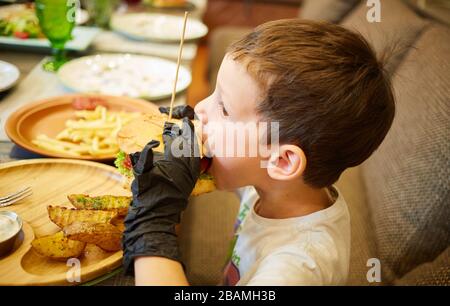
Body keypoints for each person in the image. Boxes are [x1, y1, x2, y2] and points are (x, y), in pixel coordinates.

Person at [122, 19, 395, 285]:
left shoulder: (296, 268)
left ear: (283, 160)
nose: (201, 109)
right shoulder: (277, 184)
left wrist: (153, 222)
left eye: (224, 109)